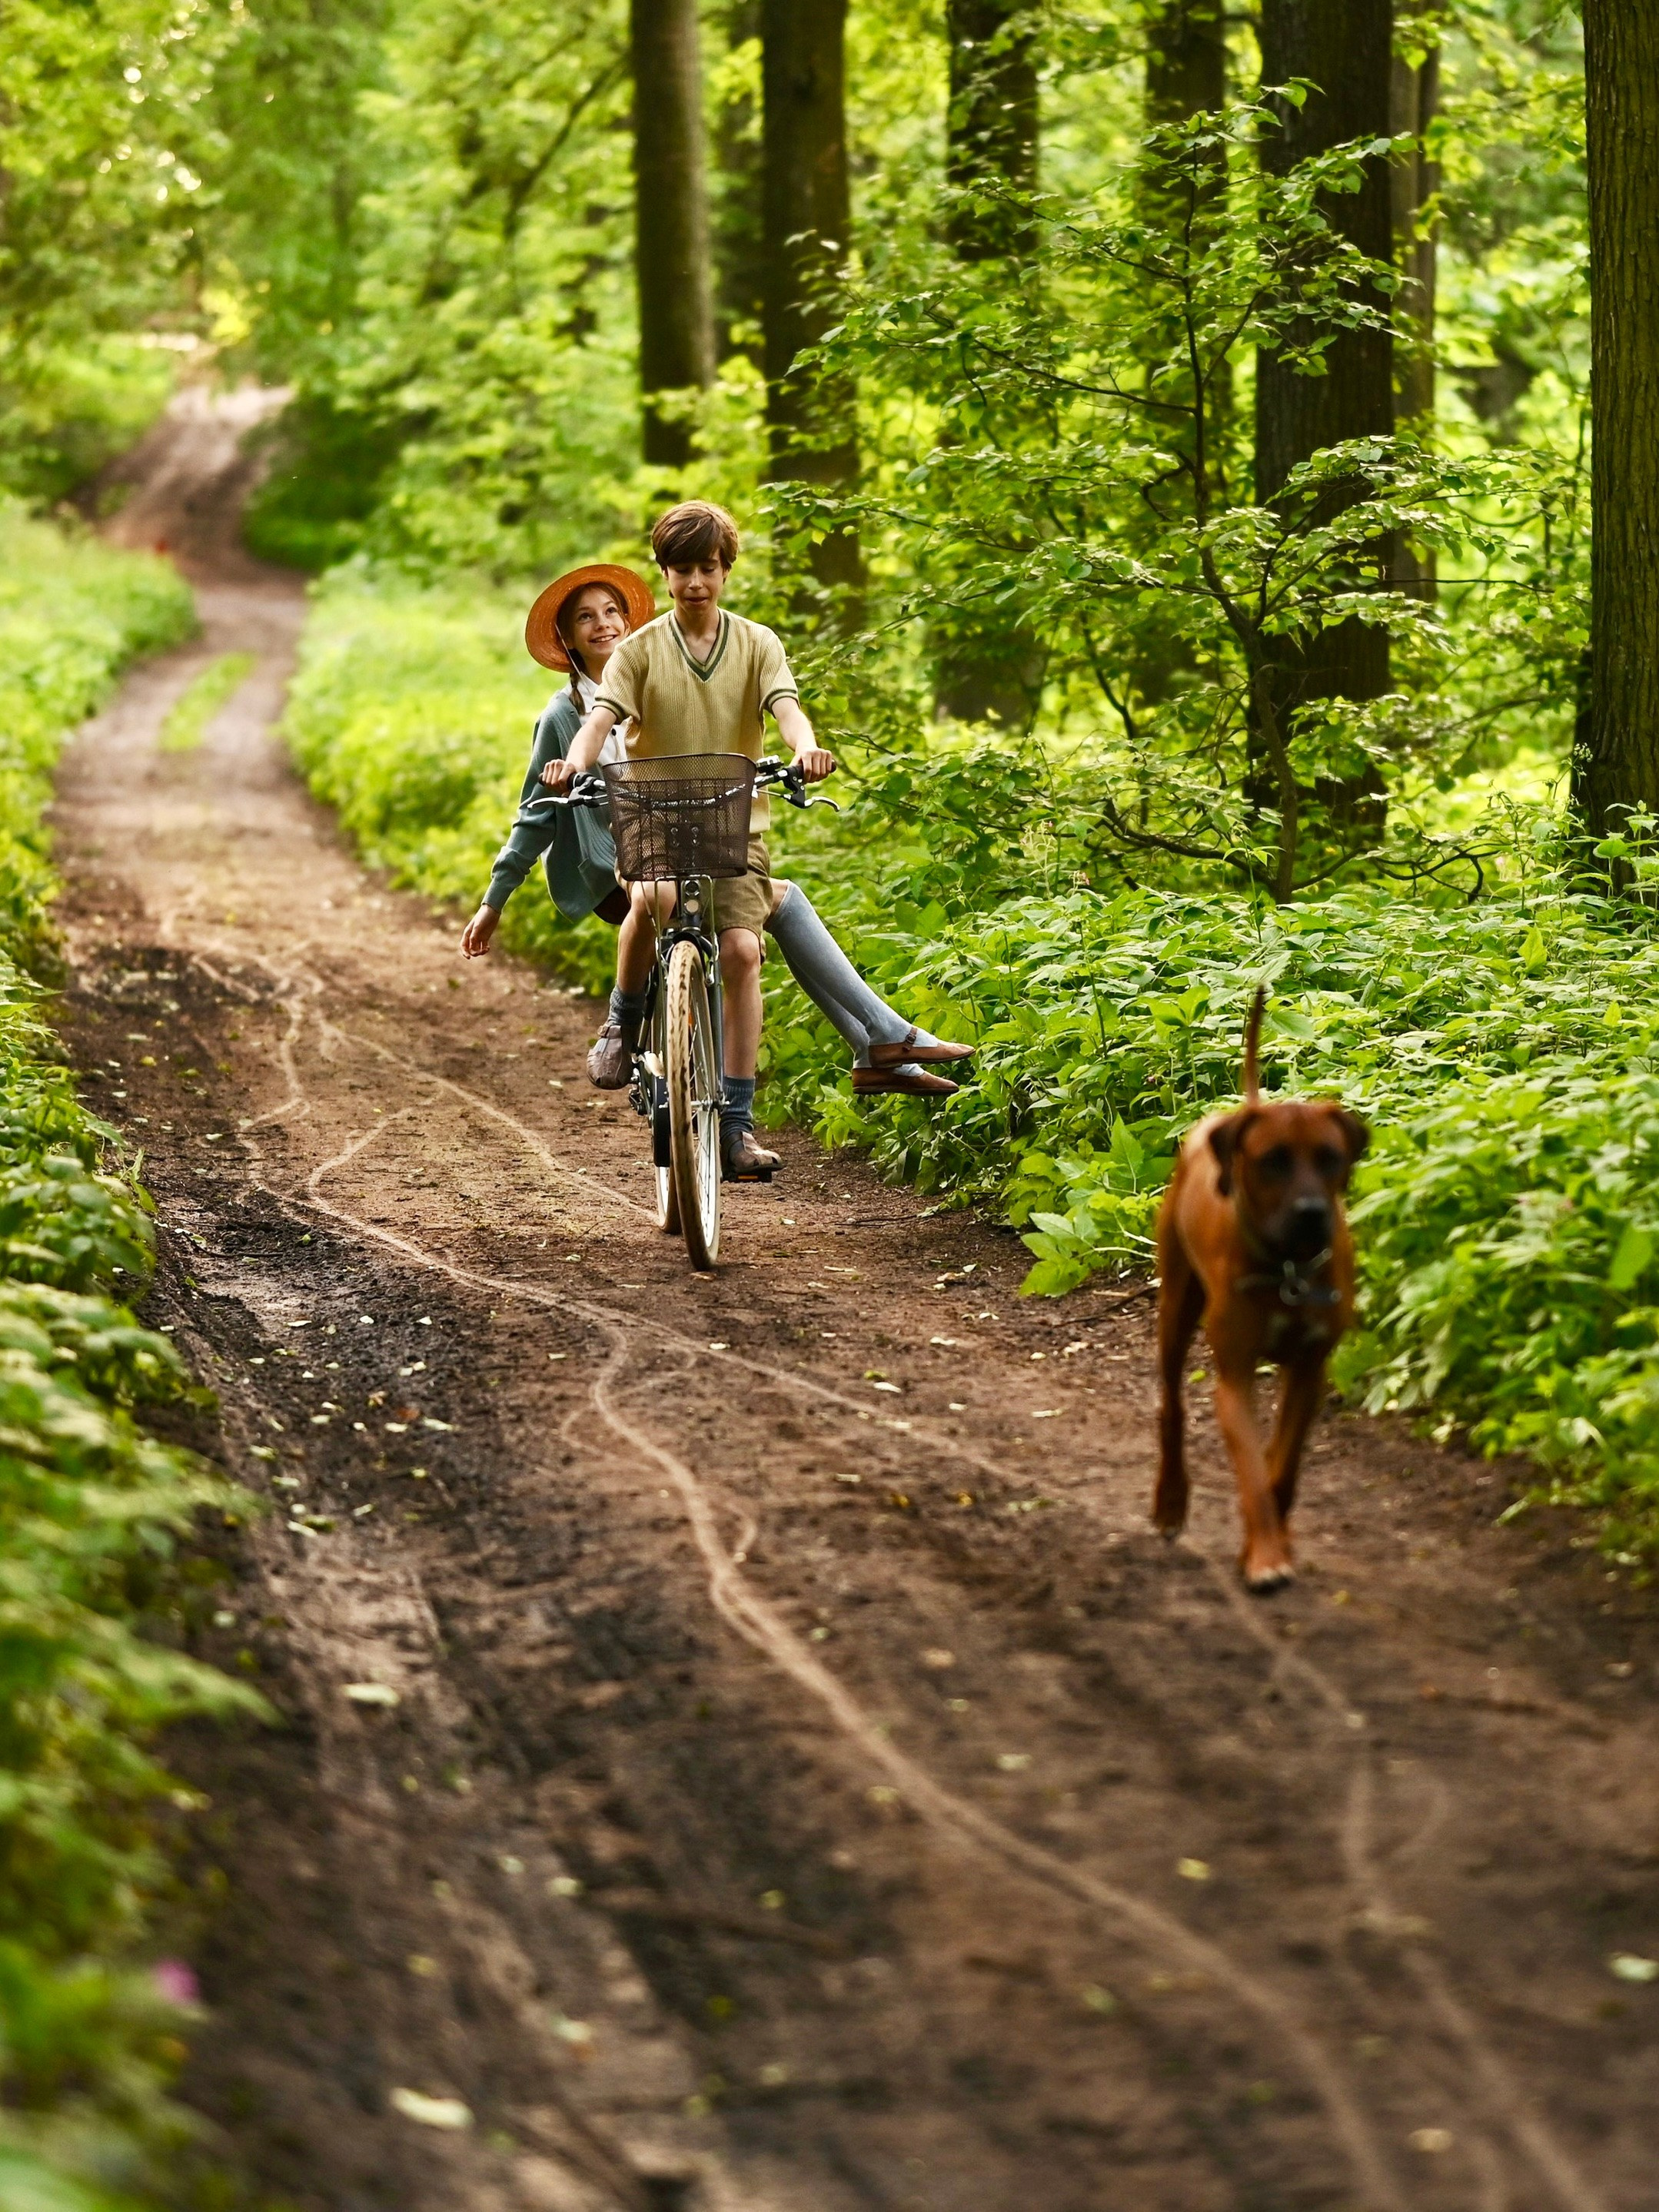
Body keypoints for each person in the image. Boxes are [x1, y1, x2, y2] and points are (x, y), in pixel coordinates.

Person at [460, 539, 971, 1172]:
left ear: (725, 572)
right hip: (631, 843)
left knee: (748, 939)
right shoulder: (592, 693)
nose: (604, 627)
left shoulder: (742, 644)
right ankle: (628, 1022)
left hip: (720, 826)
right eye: (585, 619)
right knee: (671, 897)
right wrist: (499, 894)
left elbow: (785, 708)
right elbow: (558, 782)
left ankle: (831, 1069)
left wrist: (806, 748)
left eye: (611, 613)